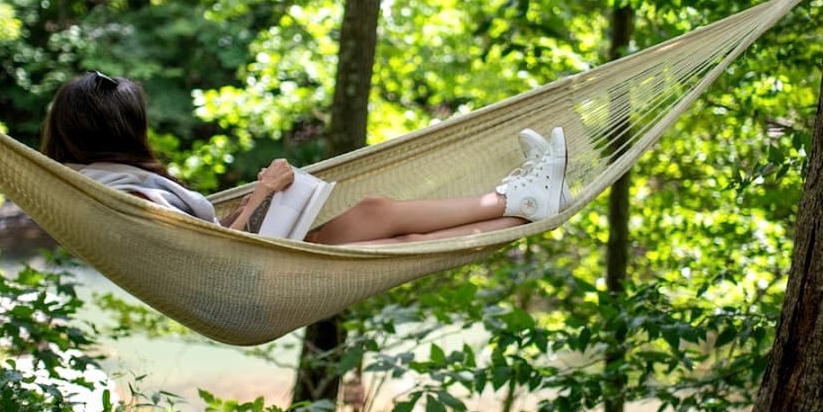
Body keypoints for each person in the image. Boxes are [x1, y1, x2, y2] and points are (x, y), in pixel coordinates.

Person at [39, 71, 569, 246]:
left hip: (245, 275)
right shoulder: (118, 188)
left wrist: (258, 201)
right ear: (122, 129)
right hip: (244, 282)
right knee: (378, 213)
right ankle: (515, 196)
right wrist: (263, 193)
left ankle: (525, 205)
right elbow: (211, 249)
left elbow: (195, 243)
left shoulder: (88, 179)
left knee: (399, 240)